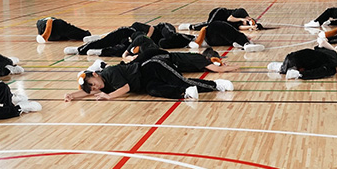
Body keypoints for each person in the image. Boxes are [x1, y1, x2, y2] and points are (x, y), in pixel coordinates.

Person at [63, 57, 234, 102]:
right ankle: (186, 93)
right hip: (146, 84)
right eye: (91, 89)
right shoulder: (102, 84)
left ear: (95, 75)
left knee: (180, 80)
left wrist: (109, 97)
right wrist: (72, 95)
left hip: (152, 68)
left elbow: (125, 88)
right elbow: (85, 93)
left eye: (92, 86)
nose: (94, 89)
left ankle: (216, 85)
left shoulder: (110, 72)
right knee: (155, 91)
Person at [267, 38, 337, 80]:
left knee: (332, 70)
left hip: (314, 64)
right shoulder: (328, 49)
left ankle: (295, 73)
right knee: (294, 56)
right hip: (307, 56)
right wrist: (335, 49)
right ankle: (282, 67)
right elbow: (321, 41)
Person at [187, 20, 265, 52]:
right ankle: (246, 44)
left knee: (233, 36)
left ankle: (243, 44)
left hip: (212, 40)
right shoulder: (241, 14)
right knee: (216, 24)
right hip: (208, 38)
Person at [181, 7, 265, 32]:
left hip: (222, 21)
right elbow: (229, 18)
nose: (246, 24)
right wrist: (241, 19)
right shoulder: (241, 12)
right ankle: (190, 26)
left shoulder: (241, 23)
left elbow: (239, 28)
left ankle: (192, 26)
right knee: (209, 23)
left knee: (211, 26)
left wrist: (251, 28)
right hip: (220, 12)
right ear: (249, 18)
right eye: (249, 22)